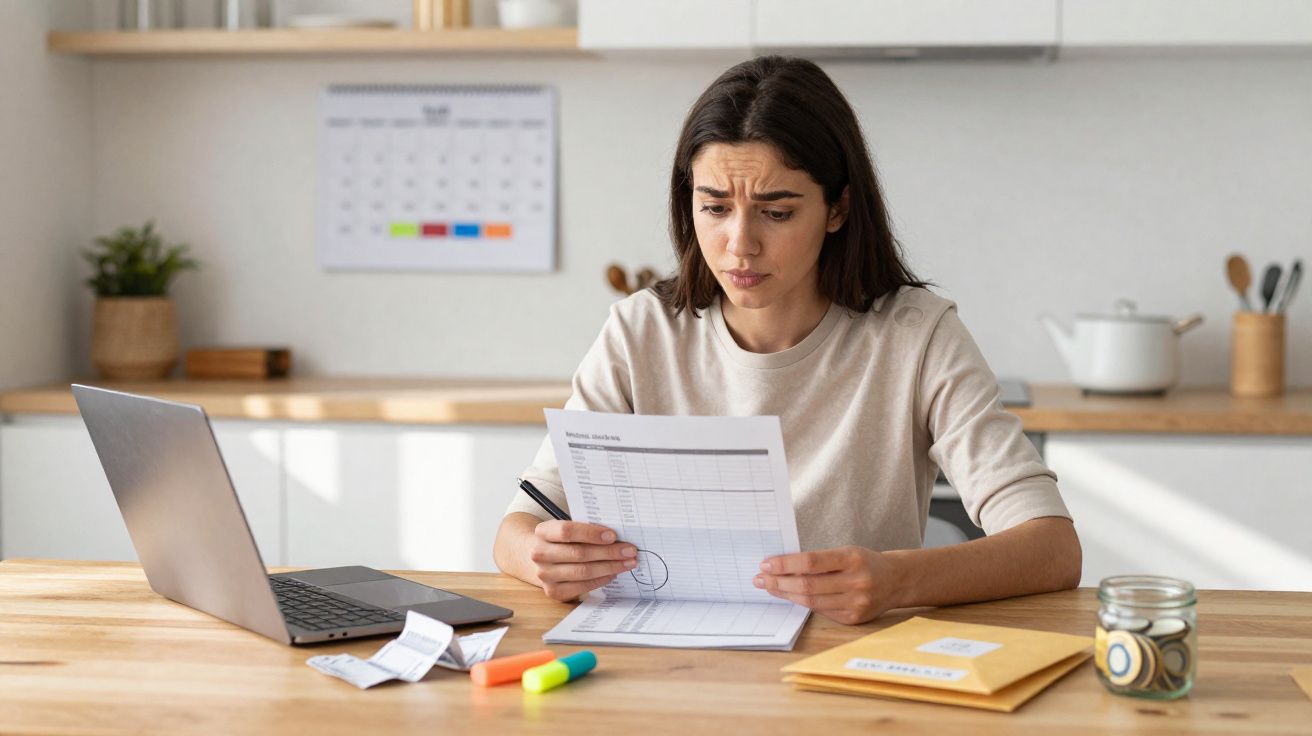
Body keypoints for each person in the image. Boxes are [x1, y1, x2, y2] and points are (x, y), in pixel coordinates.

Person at [493, 55, 1080, 626]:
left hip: (851, 672)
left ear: (837, 208)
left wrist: (901, 579)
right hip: (671, 665)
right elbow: (516, 530)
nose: (740, 243)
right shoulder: (639, 331)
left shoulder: (917, 335)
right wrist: (543, 558)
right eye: (715, 208)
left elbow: (1052, 547)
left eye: (776, 212)